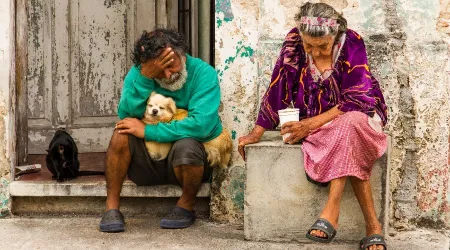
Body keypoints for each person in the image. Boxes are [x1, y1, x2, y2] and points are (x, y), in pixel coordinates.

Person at [238, 3, 388, 250]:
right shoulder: (295, 41)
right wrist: (257, 131)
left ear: (335, 37)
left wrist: (308, 126)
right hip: (323, 123)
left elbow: (356, 100)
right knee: (347, 134)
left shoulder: (352, 42)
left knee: (350, 124)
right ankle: (373, 227)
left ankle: (332, 210)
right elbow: (279, 84)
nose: (315, 53)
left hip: (359, 115)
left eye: (322, 47)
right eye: (310, 46)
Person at [99, 29, 222, 233]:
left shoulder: (203, 73)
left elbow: (201, 125)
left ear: (181, 54)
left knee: (189, 146)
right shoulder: (140, 73)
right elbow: (127, 113)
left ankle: (185, 205)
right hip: (147, 162)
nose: (168, 75)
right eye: (159, 70)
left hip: (184, 162)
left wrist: (148, 131)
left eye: (171, 66)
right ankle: (111, 208)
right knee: (120, 134)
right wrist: (146, 77)